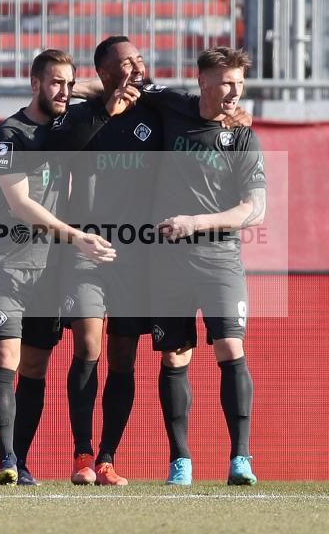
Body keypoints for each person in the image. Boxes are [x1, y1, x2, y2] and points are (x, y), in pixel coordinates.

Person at [0, 49, 139, 486]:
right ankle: (7, 460)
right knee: (6, 357)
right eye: (55, 83)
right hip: (7, 262)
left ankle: (22, 463)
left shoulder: (66, 122)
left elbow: (90, 92)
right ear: (34, 84)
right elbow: (21, 204)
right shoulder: (9, 135)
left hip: (48, 268)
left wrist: (112, 84)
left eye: (70, 84)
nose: (65, 91)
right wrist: (77, 236)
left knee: (34, 367)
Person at [138, 47, 266, 486]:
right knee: (174, 356)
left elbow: (255, 208)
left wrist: (197, 222)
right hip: (167, 263)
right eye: (227, 82)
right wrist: (73, 86)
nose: (235, 92)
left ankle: (241, 460)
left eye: (240, 83)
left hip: (219, 259)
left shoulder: (244, 138)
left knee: (230, 349)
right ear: (204, 82)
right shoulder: (172, 106)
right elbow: (121, 87)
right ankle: (181, 462)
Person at [59, 36, 163, 486]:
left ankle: (106, 459)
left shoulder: (156, 112)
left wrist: (239, 115)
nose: (137, 66)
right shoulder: (82, 116)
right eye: (126, 62)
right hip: (86, 250)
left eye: (139, 58)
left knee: (124, 358)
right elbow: (61, 143)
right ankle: (81, 455)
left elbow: (199, 106)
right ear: (104, 72)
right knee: (88, 345)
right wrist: (104, 105)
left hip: (136, 255)